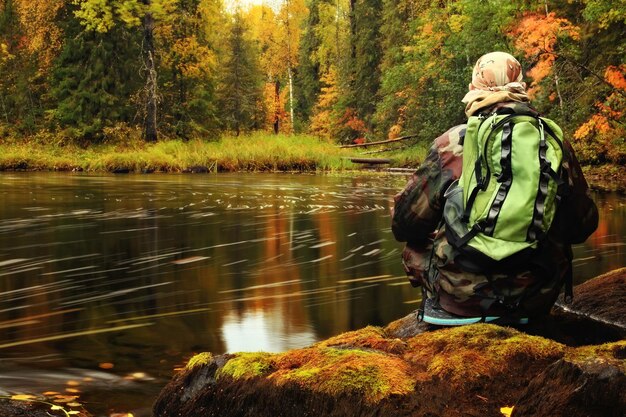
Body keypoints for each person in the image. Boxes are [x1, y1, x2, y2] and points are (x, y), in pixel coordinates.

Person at [391, 52, 598, 325]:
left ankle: (446, 311)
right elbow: (582, 226)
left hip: (463, 300)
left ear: (473, 88)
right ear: (521, 87)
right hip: (537, 294)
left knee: (415, 246)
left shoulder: (451, 143)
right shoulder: (552, 141)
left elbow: (405, 226)